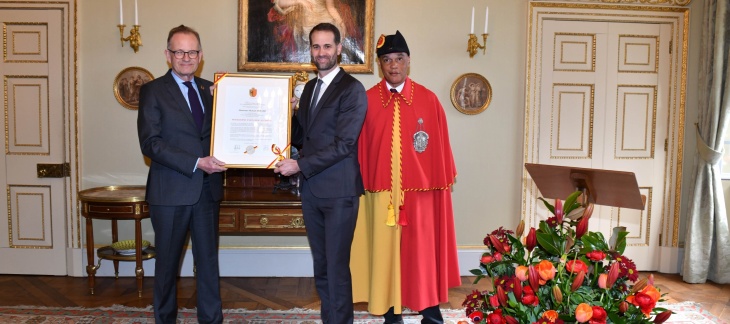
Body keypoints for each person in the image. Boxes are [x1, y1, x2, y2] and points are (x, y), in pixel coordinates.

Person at [350, 30, 461, 324]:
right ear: (379, 65)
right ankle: (390, 313)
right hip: (380, 195)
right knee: (384, 253)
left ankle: (429, 311)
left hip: (421, 194)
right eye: (387, 60)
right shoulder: (367, 100)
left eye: (399, 58)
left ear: (409, 61)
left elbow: (440, 149)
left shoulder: (428, 99)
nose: (393, 65)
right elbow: (358, 147)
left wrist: (436, 184)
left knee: (421, 255)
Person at [274, 22, 367, 324]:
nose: (322, 52)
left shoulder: (352, 90)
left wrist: (299, 165)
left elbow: (345, 144)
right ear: (310, 49)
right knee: (322, 265)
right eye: (316, 46)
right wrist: (288, 115)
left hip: (339, 193)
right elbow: (305, 138)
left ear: (340, 48)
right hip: (312, 192)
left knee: (337, 267)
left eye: (328, 46)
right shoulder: (310, 88)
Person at [137, 24, 227, 324]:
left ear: (200, 55)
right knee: (167, 267)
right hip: (170, 193)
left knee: (208, 264)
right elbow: (151, 143)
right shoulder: (152, 91)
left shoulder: (211, 90)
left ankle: (212, 320)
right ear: (168, 54)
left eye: (192, 52)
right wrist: (196, 162)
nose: (186, 57)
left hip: (207, 192)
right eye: (179, 51)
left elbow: (229, 128)